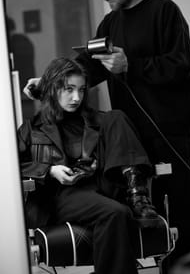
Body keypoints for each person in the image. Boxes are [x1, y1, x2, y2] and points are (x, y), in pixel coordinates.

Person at [23, 0, 190, 270]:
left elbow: (180, 66)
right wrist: (48, 81)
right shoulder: (109, 23)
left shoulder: (166, 12)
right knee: (146, 212)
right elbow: (88, 69)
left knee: (184, 208)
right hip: (130, 136)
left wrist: (131, 65)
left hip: (170, 130)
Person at [19, 57, 164, 274]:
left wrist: (96, 164)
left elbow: (122, 146)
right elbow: (9, 166)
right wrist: (49, 170)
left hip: (100, 185)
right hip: (62, 195)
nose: (76, 97)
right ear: (52, 89)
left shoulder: (98, 120)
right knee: (116, 213)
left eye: (81, 90)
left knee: (117, 116)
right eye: (68, 89)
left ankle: (137, 194)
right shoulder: (32, 128)